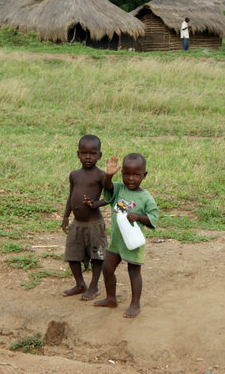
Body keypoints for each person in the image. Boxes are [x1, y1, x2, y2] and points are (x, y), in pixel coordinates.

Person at [93, 153, 159, 318]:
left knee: (134, 272)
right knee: (107, 269)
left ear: (144, 175)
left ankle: (135, 304)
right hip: (116, 241)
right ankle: (111, 298)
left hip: (133, 243)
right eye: (126, 174)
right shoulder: (119, 189)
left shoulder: (145, 198)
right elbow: (107, 188)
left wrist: (139, 217)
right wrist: (108, 175)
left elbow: (153, 219)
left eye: (136, 175)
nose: (130, 178)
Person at [61, 134, 108, 301]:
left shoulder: (101, 176)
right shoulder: (74, 175)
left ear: (99, 155)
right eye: (84, 153)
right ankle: (80, 284)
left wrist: (96, 204)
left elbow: (109, 197)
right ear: (78, 154)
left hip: (94, 224)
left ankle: (94, 286)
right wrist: (66, 216)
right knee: (72, 255)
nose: (88, 157)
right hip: (77, 223)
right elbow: (71, 195)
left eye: (93, 153)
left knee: (97, 256)